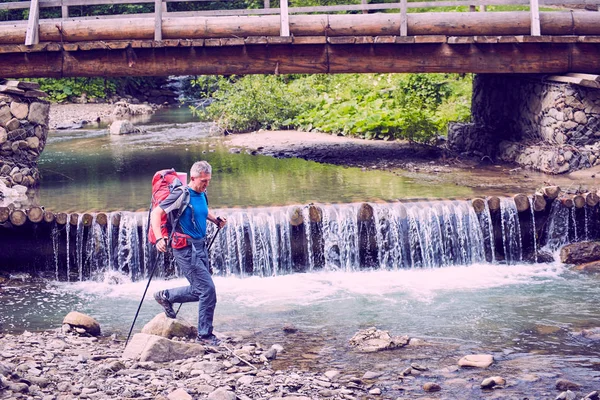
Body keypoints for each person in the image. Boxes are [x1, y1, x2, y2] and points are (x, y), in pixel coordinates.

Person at [150, 160, 227, 346]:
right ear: (193, 178)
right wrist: (160, 238)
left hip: (200, 246)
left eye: (208, 180)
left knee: (200, 289)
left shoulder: (202, 193)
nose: (206, 184)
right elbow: (156, 213)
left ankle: (165, 296)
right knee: (208, 290)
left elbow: (202, 211)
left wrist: (215, 220)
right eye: (203, 181)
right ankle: (205, 335)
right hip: (184, 248)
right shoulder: (180, 194)